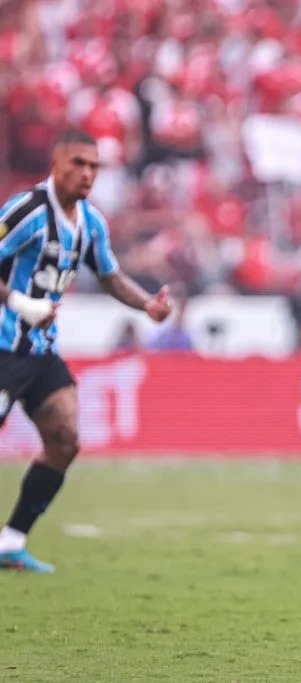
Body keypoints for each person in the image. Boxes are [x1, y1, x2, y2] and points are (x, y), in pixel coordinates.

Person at [0, 130, 173, 573]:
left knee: (64, 440)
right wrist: (21, 303)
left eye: (94, 166)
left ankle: (11, 542)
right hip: (2, 347)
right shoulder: (27, 211)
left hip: (38, 353)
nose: (87, 173)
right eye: (79, 163)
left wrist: (148, 304)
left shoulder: (91, 223)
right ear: (55, 164)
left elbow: (110, 277)